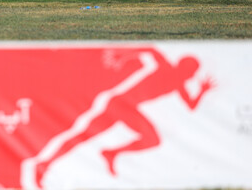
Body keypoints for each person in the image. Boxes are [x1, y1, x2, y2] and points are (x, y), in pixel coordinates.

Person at [33, 49, 213, 187]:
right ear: (182, 66)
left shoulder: (178, 83)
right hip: (120, 104)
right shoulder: (166, 67)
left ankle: (110, 153)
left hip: (125, 107)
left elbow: (191, 105)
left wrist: (202, 92)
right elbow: (150, 49)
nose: (191, 76)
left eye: (193, 73)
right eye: (190, 71)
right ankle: (44, 164)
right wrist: (124, 56)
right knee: (82, 136)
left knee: (151, 139)